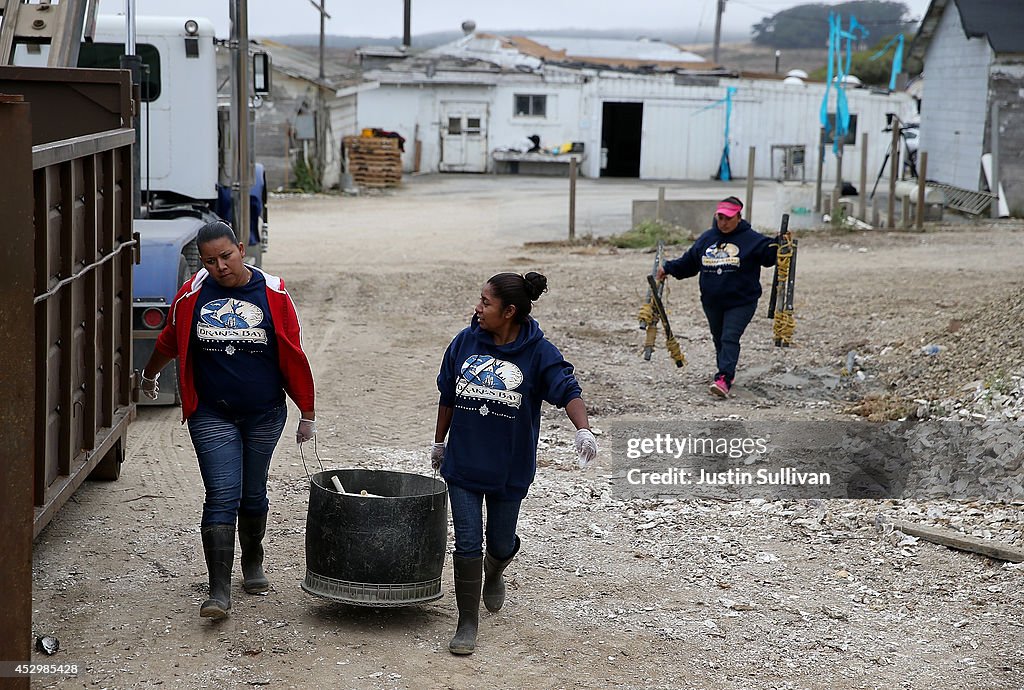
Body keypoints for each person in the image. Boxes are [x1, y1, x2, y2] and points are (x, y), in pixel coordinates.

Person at [138, 220, 316, 620]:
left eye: (226, 256)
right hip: (211, 413)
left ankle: (253, 561)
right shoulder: (192, 294)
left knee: (252, 493)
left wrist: (307, 410)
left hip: (264, 414)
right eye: (209, 260)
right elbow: (169, 339)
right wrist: (149, 375)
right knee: (221, 493)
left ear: (240, 248)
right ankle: (218, 591)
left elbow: (291, 350)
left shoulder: (273, 293)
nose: (219, 266)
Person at [432, 272, 598, 655]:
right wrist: (438, 443)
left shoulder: (539, 352)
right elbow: (447, 395)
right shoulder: (464, 342)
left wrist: (583, 430)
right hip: (464, 465)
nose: (478, 308)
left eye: (486, 303)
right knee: (467, 542)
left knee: (501, 542)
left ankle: (495, 570)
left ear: (509, 311)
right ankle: (467, 622)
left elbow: (567, 389)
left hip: (510, 468)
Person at [656, 196, 778, 398]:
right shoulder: (707, 239)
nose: (723, 222)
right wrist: (667, 268)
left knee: (730, 336)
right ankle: (726, 371)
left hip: (742, 301)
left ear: (739, 217)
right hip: (712, 301)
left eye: (728, 218)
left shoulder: (752, 239)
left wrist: (779, 246)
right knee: (719, 338)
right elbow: (689, 263)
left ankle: (723, 377)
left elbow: (769, 256)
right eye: (720, 218)